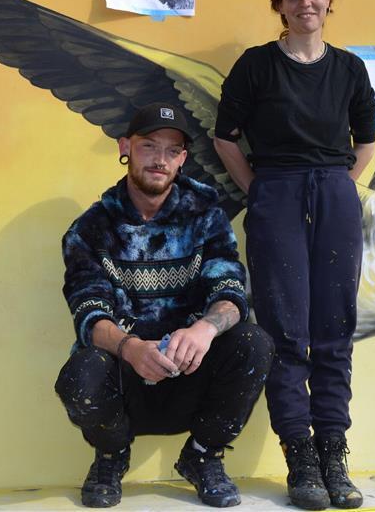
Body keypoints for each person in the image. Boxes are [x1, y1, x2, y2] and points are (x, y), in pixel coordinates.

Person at [213, 0, 375, 510]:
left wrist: (337, 186)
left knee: (335, 326)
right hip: (276, 190)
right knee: (284, 330)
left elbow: (366, 141)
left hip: (334, 191)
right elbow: (224, 136)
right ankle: (299, 457)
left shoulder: (351, 69)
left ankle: (333, 448)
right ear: (279, 6)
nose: (304, 1)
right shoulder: (256, 66)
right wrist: (260, 186)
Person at [55, 103, 274, 509]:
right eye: (149, 146)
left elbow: (229, 289)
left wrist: (204, 329)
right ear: (125, 147)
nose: (160, 159)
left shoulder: (206, 214)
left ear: (183, 159)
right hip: (126, 379)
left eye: (172, 150)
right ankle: (110, 455)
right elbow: (89, 313)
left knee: (254, 342)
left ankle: (203, 456)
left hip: (192, 371)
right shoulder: (91, 228)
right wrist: (130, 347)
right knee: (80, 376)